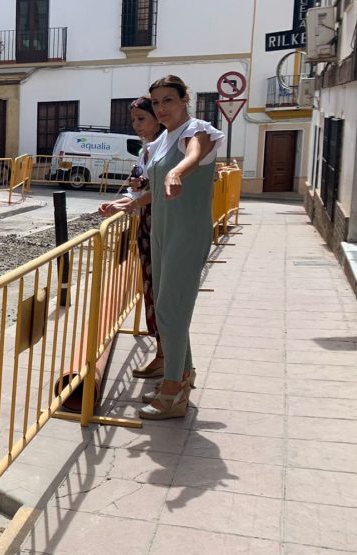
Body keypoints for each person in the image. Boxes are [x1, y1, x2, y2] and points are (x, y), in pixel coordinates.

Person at [139, 75, 224, 420]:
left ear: (184, 99)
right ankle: (183, 375)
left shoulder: (197, 129)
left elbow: (193, 154)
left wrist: (177, 173)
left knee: (172, 308)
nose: (161, 108)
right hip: (161, 229)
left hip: (186, 231)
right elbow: (155, 190)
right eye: (156, 102)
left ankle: (173, 388)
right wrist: (128, 204)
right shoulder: (161, 141)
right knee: (166, 307)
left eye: (168, 100)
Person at [97, 97, 167, 381]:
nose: (137, 125)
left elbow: (159, 191)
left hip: (161, 224)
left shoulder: (165, 147)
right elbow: (139, 187)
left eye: (142, 119)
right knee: (152, 288)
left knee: (162, 293)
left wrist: (129, 204)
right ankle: (164, 354)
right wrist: (125, 200)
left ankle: (166, 357)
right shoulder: (148, 149)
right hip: (149, 225)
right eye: (134, 120)